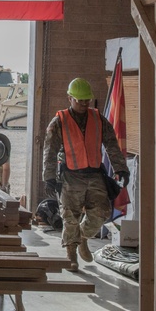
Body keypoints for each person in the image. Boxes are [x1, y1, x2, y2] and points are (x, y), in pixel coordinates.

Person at [42, 77, 128, 271]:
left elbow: (112, 145)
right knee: (69, 216)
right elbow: (50, 150)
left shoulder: (98, 119)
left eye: (86, 100)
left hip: (95, 174)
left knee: (101, 212)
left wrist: (120, 168)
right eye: (79, 100)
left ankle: (81, 237)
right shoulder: (59, 122)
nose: (83, 104)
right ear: (69, 98)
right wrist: (48, 177)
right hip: (70, 176)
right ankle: (71, 253)